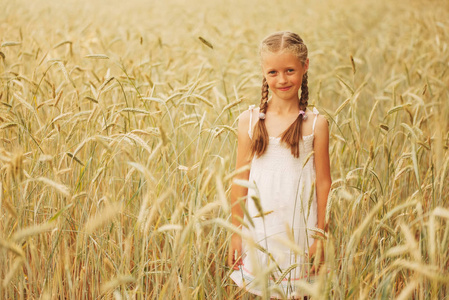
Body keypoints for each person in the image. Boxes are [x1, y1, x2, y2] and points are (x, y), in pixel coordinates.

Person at [228, 31, 332, 299]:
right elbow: (240, 180)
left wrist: (319, 236)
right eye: (273, 72)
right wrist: (236, 234)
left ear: (305, 66)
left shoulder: (315, 124)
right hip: (259, 231)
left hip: (299, 231)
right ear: (263, 72)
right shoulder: (249, 121)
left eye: (289, 70)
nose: (282, 79)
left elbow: (323, 183)